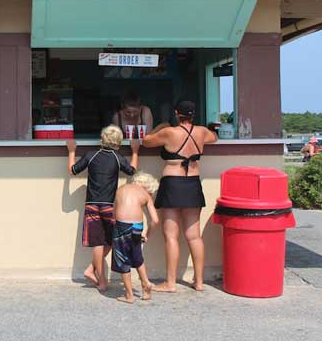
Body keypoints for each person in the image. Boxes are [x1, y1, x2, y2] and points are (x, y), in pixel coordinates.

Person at [142, 100, 218, 292]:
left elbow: (146, 140)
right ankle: (199, 282)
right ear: (193, 115)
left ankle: (170, 283)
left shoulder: (169, 132)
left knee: (171, 236)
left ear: (177, 113)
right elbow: (214, 137)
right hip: (193, 183)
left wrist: (162, 125)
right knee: (194, 236)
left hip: (173, 184)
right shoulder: (201, 132)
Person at [67, 125, 140, 292]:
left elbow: (73, 171)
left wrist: (71, 151)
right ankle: (99, 278)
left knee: (98, 243)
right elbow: (132, 171)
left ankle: (94, 273)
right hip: (109, 205)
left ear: (102, 139)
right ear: (118, 142)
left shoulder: (91, 155)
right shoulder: (117, 157)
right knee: (113, 240)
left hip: (91, 204)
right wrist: (136, 151)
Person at [111, 171, 159, 304]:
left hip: (121, 226)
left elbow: (114, 212)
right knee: (137, 256)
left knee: (122, 259)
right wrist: (147, 235)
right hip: (137, 227)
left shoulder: (122, 188)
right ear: (148, 188)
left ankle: (129, 295)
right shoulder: (145, 195)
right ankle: (146, 283)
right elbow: (155, 220)